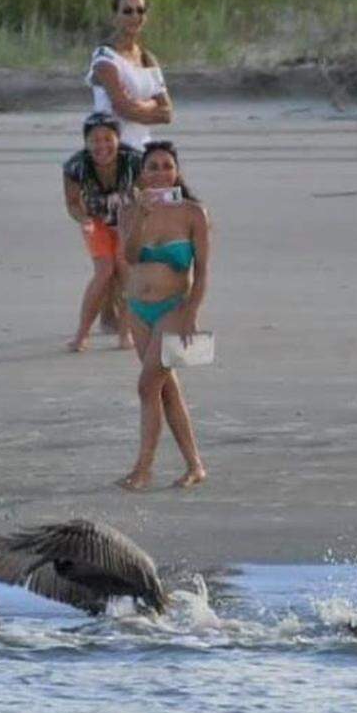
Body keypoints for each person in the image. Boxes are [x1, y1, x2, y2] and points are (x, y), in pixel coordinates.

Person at [115, 141, 210, 490]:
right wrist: (140, 215)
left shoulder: (194, 213)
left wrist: (191, 314)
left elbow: (202, 272)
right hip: (138, 310)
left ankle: (143, 469)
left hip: (175, 308)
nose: (159, 173)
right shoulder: (129, 210)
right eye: (152, 167)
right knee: (165, 390)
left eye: (166, 166)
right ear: (142, 174)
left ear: (177, 172)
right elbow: (131, 256)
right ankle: (195, 465)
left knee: (146, 386)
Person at [63, 112, 140, 352]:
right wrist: (84, 220)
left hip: (129, 221)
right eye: (95, 140)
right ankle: (81, 335)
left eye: (108, 138)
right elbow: (73, 203)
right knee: (105, 271)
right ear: (86, 142)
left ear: (118, 138)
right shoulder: (75, 166)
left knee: (126, 270)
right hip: (96, 220)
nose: (102, 145)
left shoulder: (135, 160)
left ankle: (125, 334)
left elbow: (154, 190)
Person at [87, 0, 172, 150]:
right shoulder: (105, 57)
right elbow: (122, 108)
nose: (135, 16)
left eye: (140, 11)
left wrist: (136, 105)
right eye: (127, 11)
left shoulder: (148, 58)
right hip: (112, 151)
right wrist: (152, 104)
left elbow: (167, 113)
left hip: (143, 148)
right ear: (115, 18)